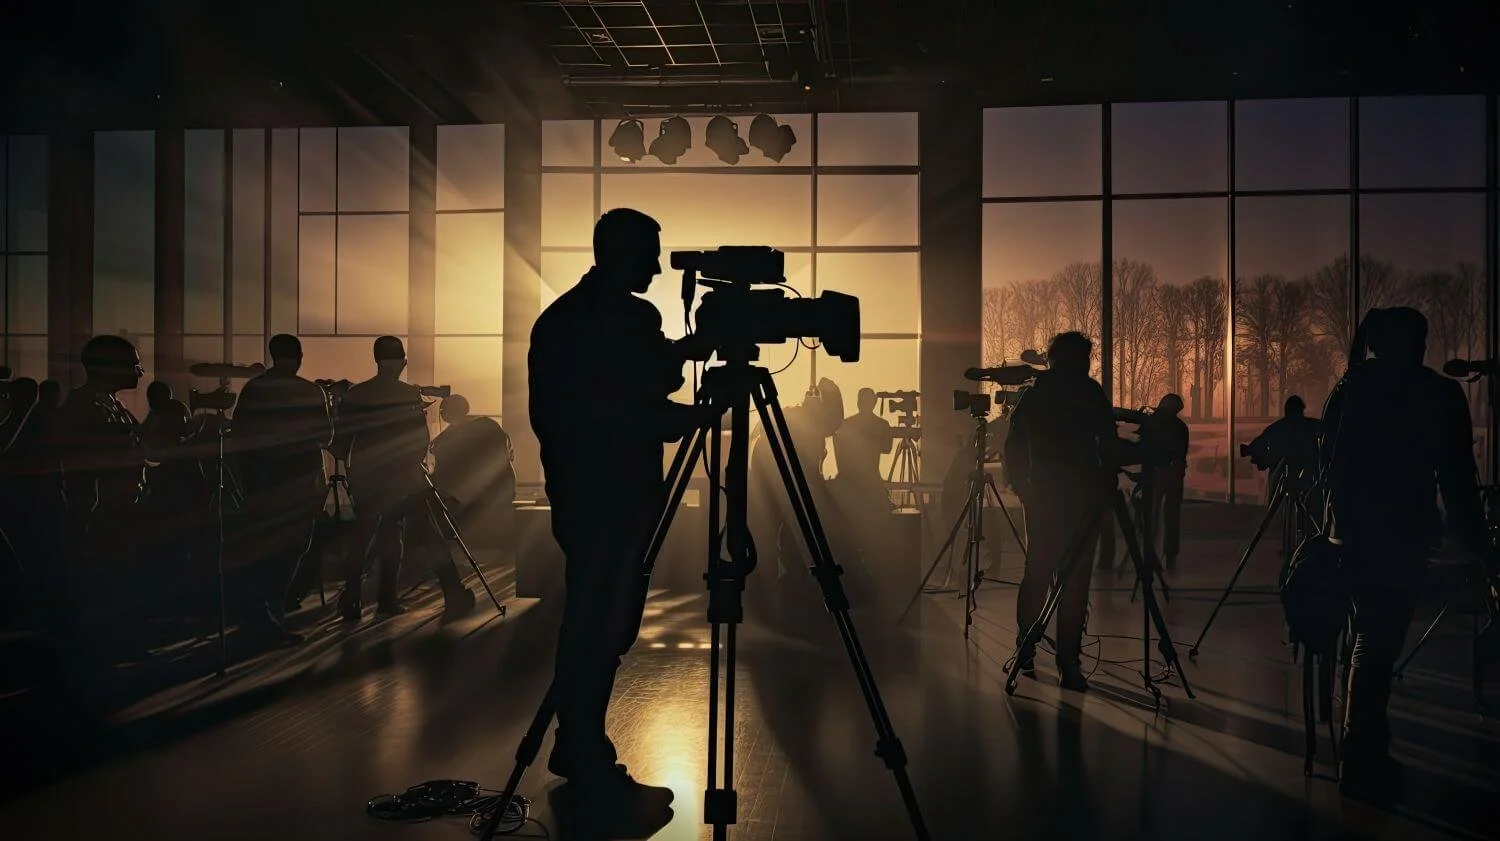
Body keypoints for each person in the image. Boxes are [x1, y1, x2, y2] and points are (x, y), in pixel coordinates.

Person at [530, 208, 703, 797]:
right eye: (649, 253)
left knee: (592, 616)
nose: (657, 266)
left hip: (577, 497)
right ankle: (582, 749)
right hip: (616, 498)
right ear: (619, 252)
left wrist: (677, 362)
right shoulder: (628, 316)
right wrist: (689, 408)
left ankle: (579, 744)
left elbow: (620, 390)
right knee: (603, 622)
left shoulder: (562, 319)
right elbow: (633, 403)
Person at [1323, 307, 1487, 802]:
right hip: (1399, 538)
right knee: (1376, 644)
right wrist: (1478, 544)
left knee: (1364, 639)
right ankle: (1361, 758)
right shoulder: (1435, 394)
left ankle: (1365, 748)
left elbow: (1326, 458)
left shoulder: (1350, 389)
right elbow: (1457, 476)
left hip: (1348, 537)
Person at [1004, 332, 1116, 691]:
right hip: (1074, 498)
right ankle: (1067, 661)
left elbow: (1015, 447)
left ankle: (1027, 648)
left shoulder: (1036, 395)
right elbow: (1107, 441)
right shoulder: (1090, 394)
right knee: (1073, 583)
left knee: (1039, 574)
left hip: (1050, 498)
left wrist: (1024, 489)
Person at [335, 336, 475, 622]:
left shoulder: (356, 395)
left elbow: (340, 443)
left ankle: (352, 599)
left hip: (367, 477)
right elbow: (419, 440)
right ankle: (451, 592)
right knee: (427, 534)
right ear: (402, 362)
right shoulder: (409, 395)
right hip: (405, 479)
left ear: (376, 360)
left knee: (365, 538)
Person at [230, 334, 334, 645]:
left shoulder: (254, 390)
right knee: (291, 549)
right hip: (300, 480)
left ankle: (257, 617)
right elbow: (326, 436)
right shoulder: (309, 391)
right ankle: (271, 616)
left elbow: (240, 436)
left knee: (263, 549)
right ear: (299, 356)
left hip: (262, 480)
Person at [430, 395, 516, 553]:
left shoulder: (454, 436)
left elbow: (450, 468)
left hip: (478, 496)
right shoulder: (488, 425)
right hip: (499, 489)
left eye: (443, 410)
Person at [1138, 393, 1188, 569]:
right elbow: (1181, 454)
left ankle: (1149, 553)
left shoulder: (1151, 424)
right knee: (1171, 515)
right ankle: (1170, 554)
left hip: (1155, 473)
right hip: (1173, 474)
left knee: (1152, 514)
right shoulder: (1181, 427)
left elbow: (1143, 447)